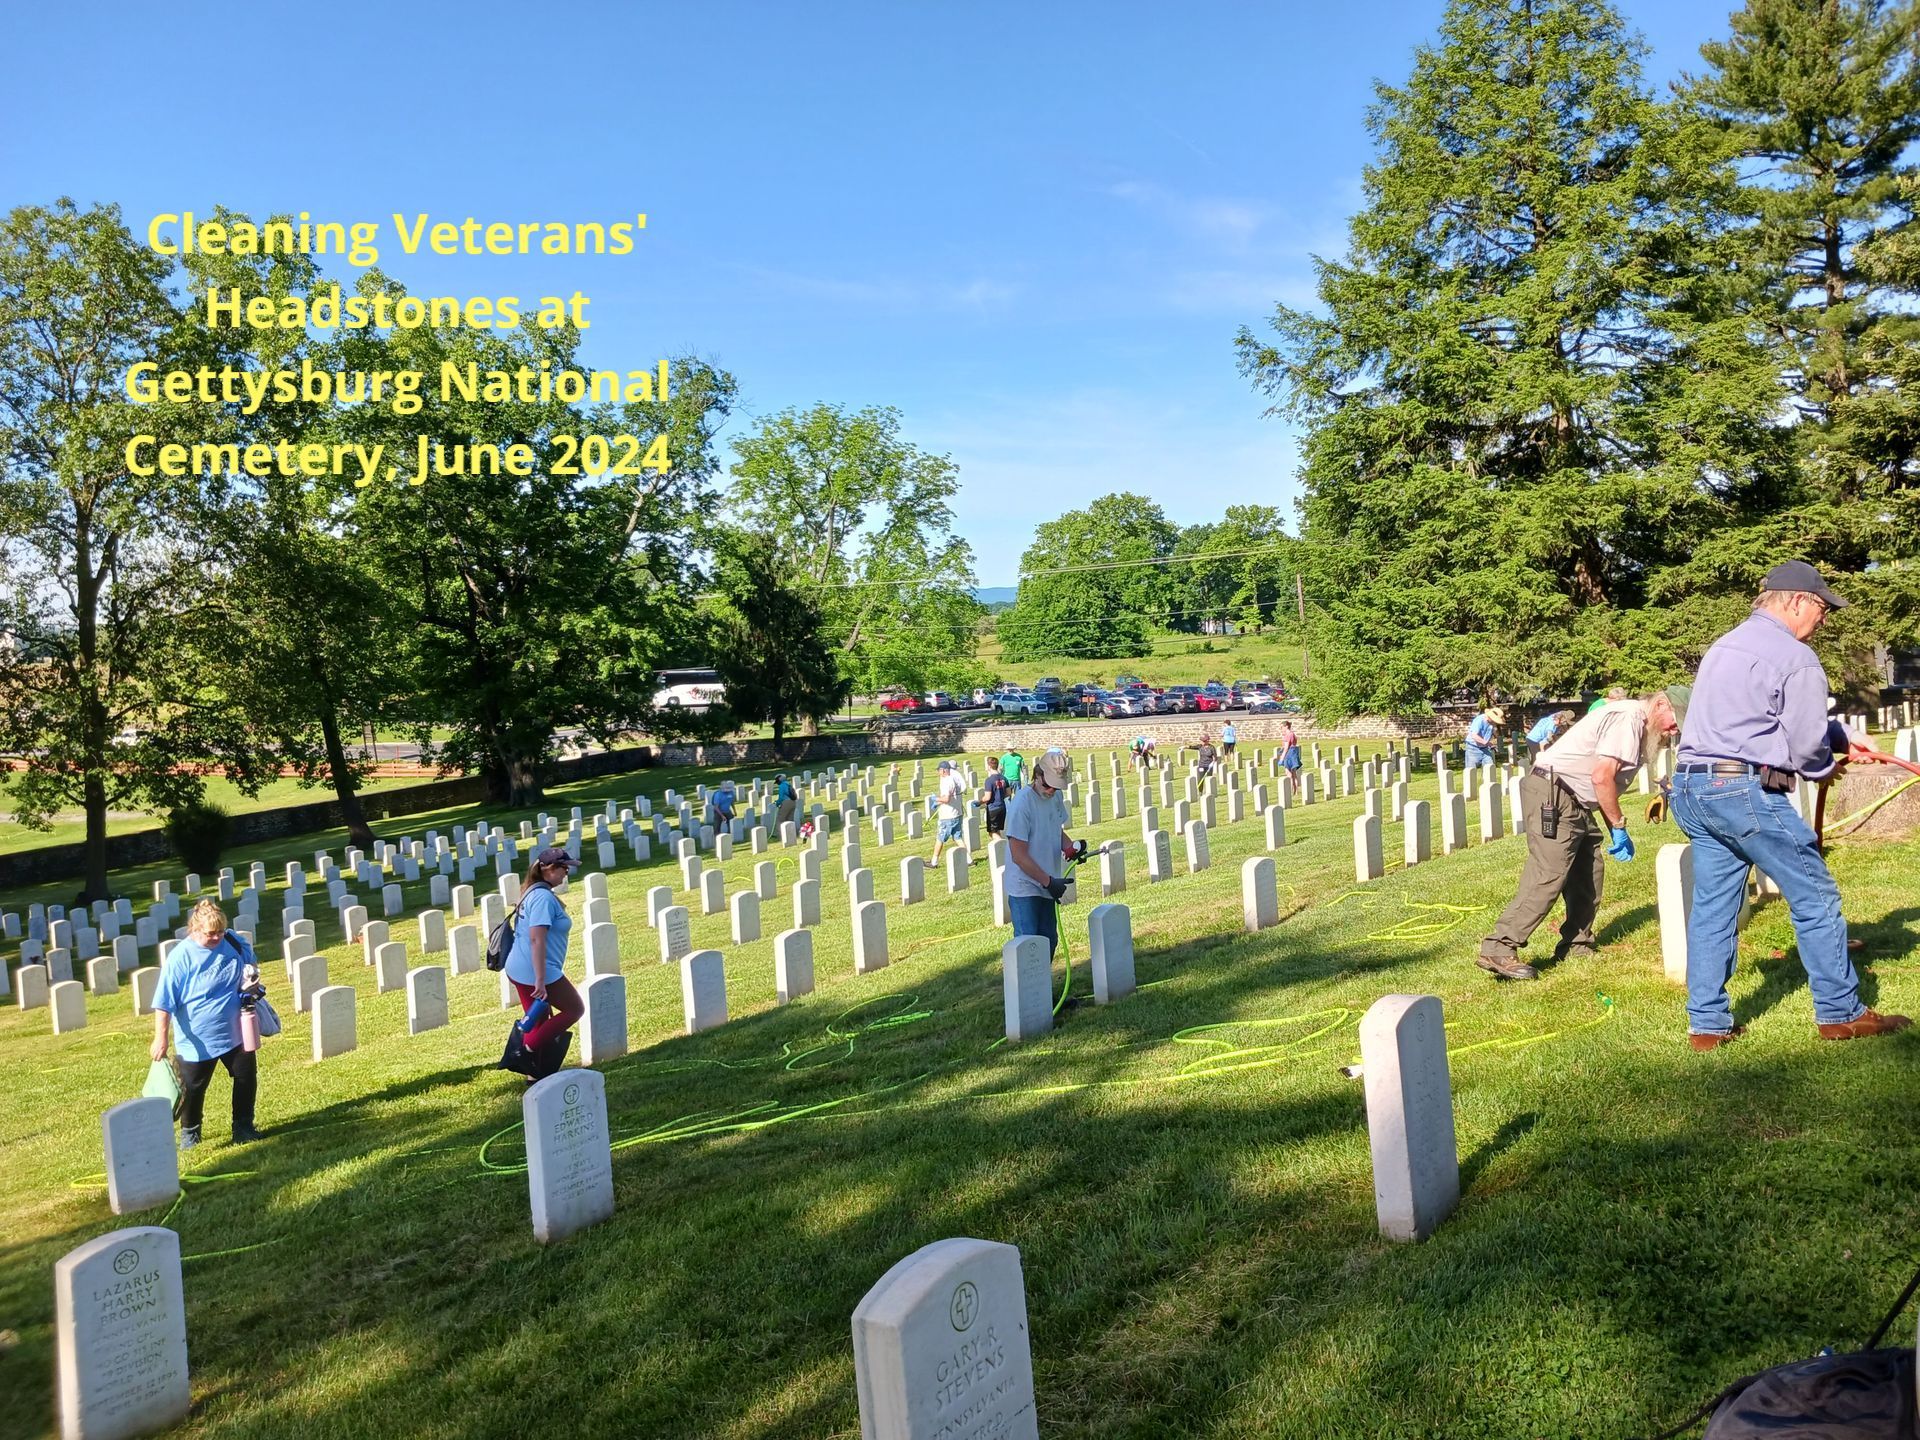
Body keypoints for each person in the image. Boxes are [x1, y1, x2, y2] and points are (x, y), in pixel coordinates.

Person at [1672, 561, 1910, 1050]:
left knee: (1714, 910)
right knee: (1815, 896)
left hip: (1693, 789)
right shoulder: (1795, 656)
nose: (1823, 619)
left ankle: (1708, 1027)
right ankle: (1842, 1013)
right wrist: (1825, 766)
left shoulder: (1726, 645)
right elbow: (1803, 747)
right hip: (1743, 793)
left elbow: (1756, 718)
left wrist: (1843, 735)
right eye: (1822, 608)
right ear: (1796, 601)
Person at [1477, 689, 1686, 981]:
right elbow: (1601, 777)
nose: (1675, 729)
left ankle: (1575, 943)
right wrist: (1620, 826)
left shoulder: (1635, 722)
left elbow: (1603, 783)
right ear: (1661, 704)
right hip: (1555, 794)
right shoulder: (1628, 718)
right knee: (1548, 874)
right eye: (1675, 721)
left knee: (1589, 871)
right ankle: (1499, 947)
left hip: (1575, 800)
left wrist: (1614, 829)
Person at [149, 900, 264, 1150]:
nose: (216, 937)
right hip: (197, 1037)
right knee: (193, 1089)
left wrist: (251, 980)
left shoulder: (233, 942)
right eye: (210, 933)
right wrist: (161, 1038)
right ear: (194, 929)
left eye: (220, 932)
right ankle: (191, 1134)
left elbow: (251, 964)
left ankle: (243, 1127)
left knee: (246, 1077)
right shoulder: (181, 956)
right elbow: (164, 1001)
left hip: (236, 1030)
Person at [501, 846, 586, 1077]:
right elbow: (537, 939)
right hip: (535, 969)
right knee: (575, 1009)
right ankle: (522, 1051)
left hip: (520, 966)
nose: (567, 872)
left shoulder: (533, 891)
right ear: (548, 869)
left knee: (539, 1021)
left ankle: (535, 1074)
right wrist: (540, 980)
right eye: (563, 867)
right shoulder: (542, 898)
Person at [1004, 747, 1083, 958]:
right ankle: (1027, 992)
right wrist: (1048, 881)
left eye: (1056, 788)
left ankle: (1043, 991)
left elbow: (1055, 828)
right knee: (1029, 945)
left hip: (1048, 882)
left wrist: (1071, 847)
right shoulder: (1022, 804)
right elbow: (1018, 856)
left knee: (1049, 940)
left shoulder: (1054, 797)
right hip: (1025, 886)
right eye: (1048, 785)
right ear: (1037, 775)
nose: (1051, 791)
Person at [929, 759, 966, 865]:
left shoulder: (946, 782)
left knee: (940, 838)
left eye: (939, 770)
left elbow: (946, 799)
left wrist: (936, 799)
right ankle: (968, 860)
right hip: (957, 812)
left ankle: (934, 862)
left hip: (948, 815)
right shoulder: (953, 779)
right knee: (958, 838)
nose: (938, 772)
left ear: (944, 770)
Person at [980, 755, 1012, 837]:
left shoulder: (989, 780)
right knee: (997, 830)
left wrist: (979, 802)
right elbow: (1008, 793)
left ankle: (1002, 849)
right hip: (1002, 807)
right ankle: (1001, 848)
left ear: (989, 766)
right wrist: (1000, 796)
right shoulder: (1004, 778)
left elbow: (987, 797)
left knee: (993, 832)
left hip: (993, 809)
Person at [1280, 722, 1303, 795]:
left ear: (1286, 726)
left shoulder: (1288, 735)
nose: (1281, 729)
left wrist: (1281, 758)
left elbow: (1286, 748)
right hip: (1294, 753)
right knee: (1294, 774)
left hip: (1289, 754)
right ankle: (1295, 792)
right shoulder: (1293, 734)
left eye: (1282, 727)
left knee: (1288, 773)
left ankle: (1290, 791)